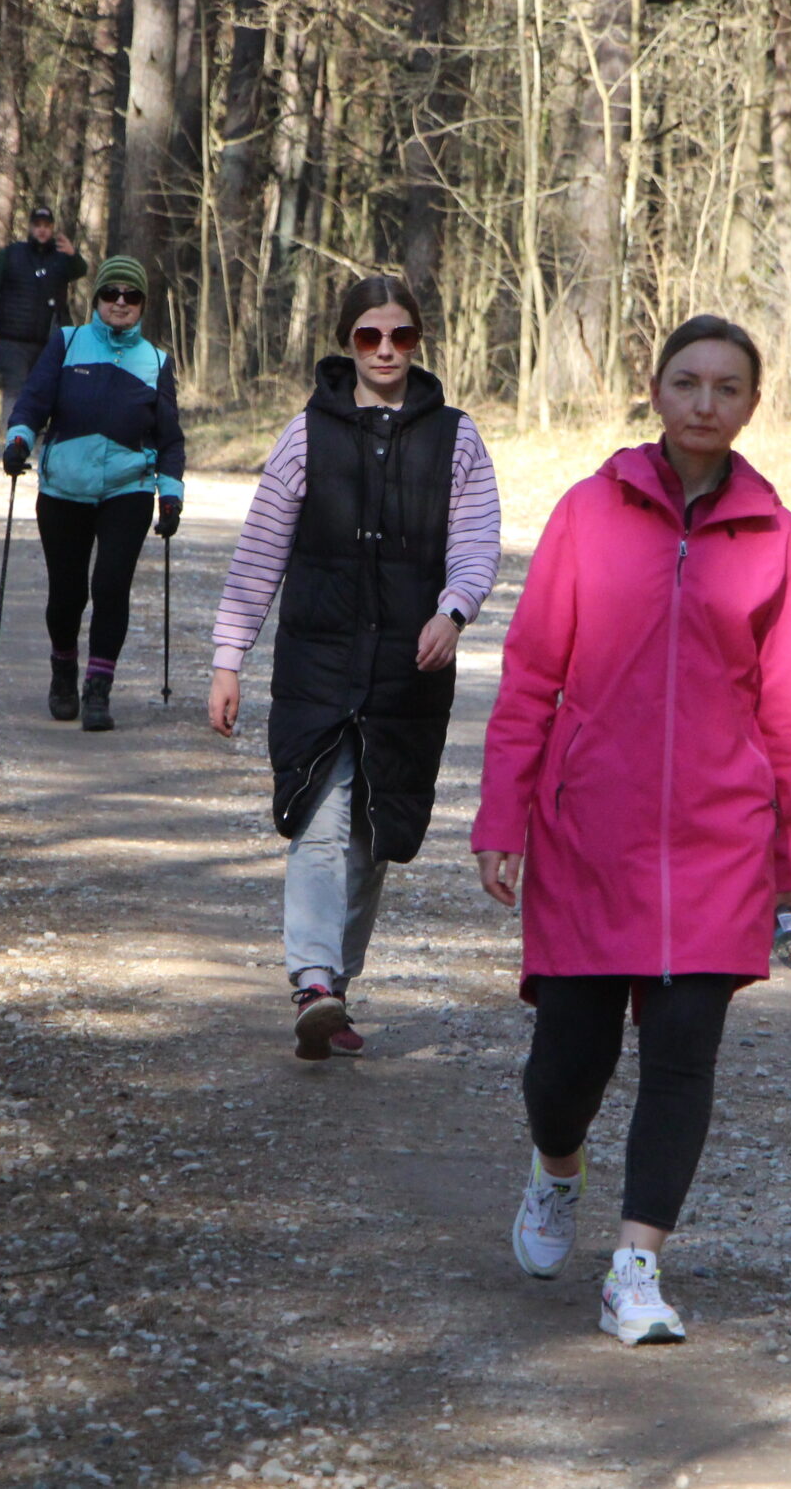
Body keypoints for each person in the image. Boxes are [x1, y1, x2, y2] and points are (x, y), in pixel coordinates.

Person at [475, 314, 791, 1348]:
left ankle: (636, 1267)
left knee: (681, 1058)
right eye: (687, 382)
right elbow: (531, 676)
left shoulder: (777, 537)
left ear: (751, 404)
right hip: (590, 834)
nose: (706, 403)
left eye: (727, 387)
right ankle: (556, 1166)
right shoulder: (588, 512)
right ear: (655, 390)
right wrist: (503, 815)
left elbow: (786, 710)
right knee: (564, 1068)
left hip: (719, 843)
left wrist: (790, 864)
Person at [207, 276, 502, 1062]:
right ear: (347, 340)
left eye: (401, 336)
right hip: (319, 663)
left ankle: (333, 985)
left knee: (374, 834)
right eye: (370, 335)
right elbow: (258, 556)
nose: (385, 350)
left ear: (418, 341)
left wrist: (453, 611)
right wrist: (228, 659)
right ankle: (312, 981)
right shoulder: (305, 435)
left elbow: (477, 544)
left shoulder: (458, 439)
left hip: (408, 672)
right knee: (322, 814)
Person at [1, 256, 185, 733]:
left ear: (142, 303)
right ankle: (63, 667)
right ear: (97, 298)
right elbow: (33, 401)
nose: (120, 303)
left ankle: (98, 689)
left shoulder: (157, 361)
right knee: (67, 595)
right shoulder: (67, 342)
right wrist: (18, 440)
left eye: (131, 295)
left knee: (111, 586)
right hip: (64, 486)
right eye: (110, 293)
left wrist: (170, 495)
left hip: (128, 488)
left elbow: (169, 439)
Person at [0, 206, 86, 418]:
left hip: (48, 341)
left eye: (47, 226)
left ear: (52, 229)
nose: (42, 230)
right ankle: (13, 432)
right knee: (15, 390)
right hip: (13, 340)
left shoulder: (60, 258)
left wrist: (73, 254)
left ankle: (36, 433)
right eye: (37, 225)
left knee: (44, 392)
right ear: (30, 227)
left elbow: (80, 270)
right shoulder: (10, 255)